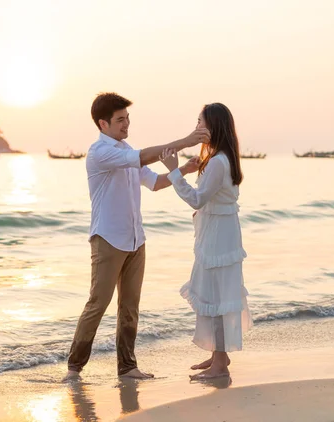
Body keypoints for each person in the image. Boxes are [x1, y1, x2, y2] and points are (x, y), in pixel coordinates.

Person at [64, 92, 210, 381]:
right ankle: (74, 368)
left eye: (127, 118)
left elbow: (155, 183)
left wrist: (184, 169)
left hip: (135, 240)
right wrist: (186, 140)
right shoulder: (100, 152)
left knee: (130, 307)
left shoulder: (126, 149)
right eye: (120, 120)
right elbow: (143, 156)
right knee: (98, 303)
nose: (126, 124)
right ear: (102, 124)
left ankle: (128, 368)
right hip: (107, 239)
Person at [160, 102, 253, 380]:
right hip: (222, 233)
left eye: (201, 122)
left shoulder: (217, 162)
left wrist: (174, 171)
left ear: (212, 126)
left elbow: (197, 198)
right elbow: (212, 200)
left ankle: (219, 364)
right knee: (219, 295)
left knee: (215, 297)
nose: (197, 127)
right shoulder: (224, 158)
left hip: (217, 238)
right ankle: (218, 357)